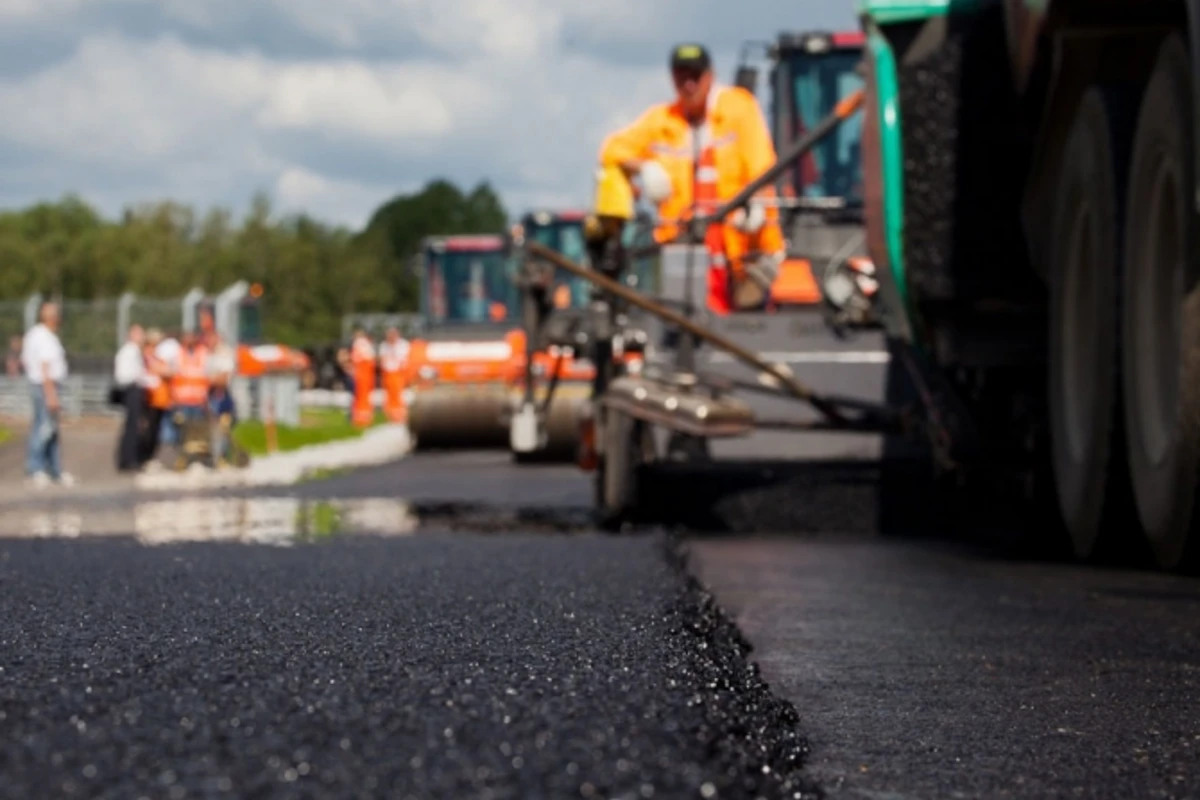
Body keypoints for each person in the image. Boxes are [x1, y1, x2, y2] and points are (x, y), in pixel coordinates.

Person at [596, 43, 787, 312]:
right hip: (683, 257)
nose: (689, 85)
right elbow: (611, 150)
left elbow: (761, 164)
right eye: (681, 76)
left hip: (743, 254)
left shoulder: (739, 108)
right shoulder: (662, 121)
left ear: (710, 75)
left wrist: (756, 203)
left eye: (695, 76)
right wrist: (644, 167)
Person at [20, 301, 73, 487]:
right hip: (45, 386)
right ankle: (37, 468)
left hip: (42, 385)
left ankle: (54, 469)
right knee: (44, 429)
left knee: (49, 429)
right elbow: (45, 367)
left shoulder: (38, 334)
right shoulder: (43, 337)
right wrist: (51, 395)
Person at [113, 323, 146, 472]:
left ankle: (128, 459)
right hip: (131, 389)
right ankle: (128, 460)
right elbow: (125, 375)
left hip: (132, 389)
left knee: (132, 426)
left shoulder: (133, 351)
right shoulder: (130, 351)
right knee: (132, 427)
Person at [139, 328, 171, 467]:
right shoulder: (146, 356)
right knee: (149, 430)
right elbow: (161, 370)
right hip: (150, 398)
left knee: (155, 430)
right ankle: (145, 458)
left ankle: (150, 457)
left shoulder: (157, 356)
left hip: (160, 398)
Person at [378, 327, 409, 423]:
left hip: (398, 372)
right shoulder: (384, 345)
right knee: (388, 396)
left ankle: (400, 415)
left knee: (398, 394)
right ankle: (390, 415)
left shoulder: (403, 344)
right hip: (387, 373)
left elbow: (403, 359)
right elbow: (382, 359)